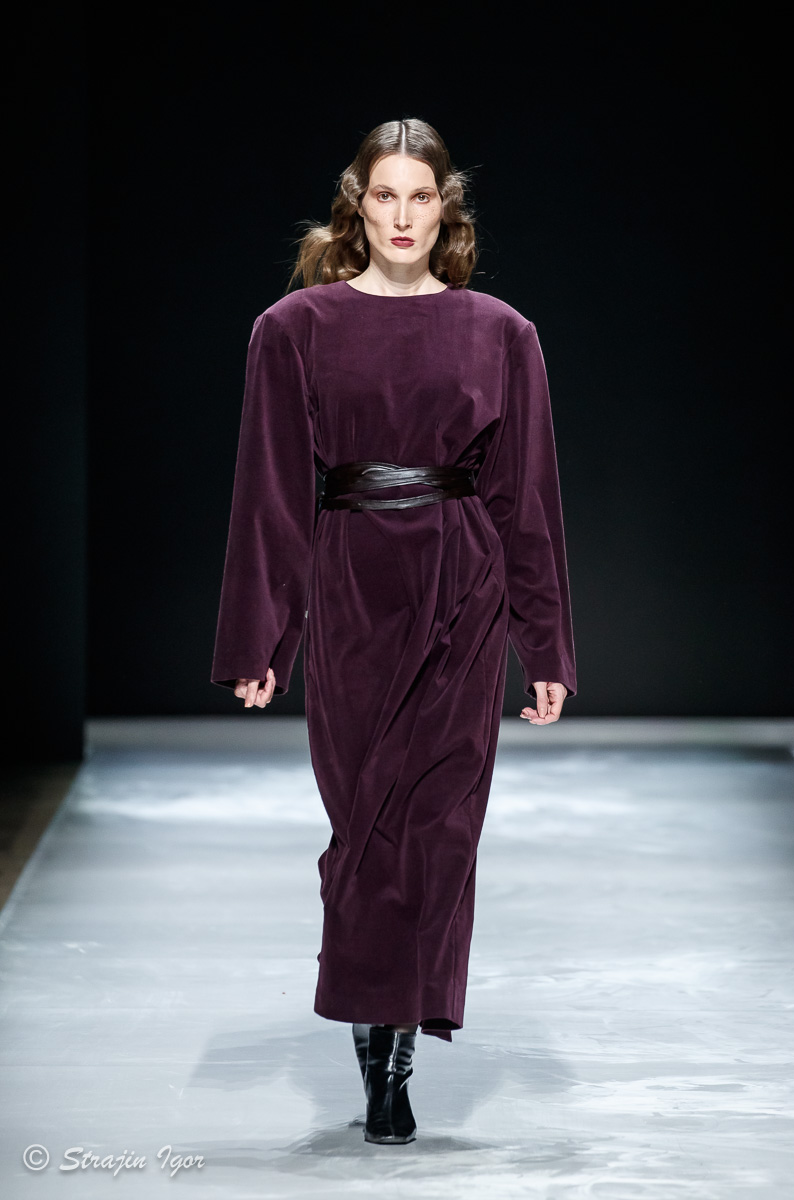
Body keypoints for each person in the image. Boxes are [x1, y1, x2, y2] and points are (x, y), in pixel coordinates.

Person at [210, 117, 577, 1144]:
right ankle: (373, 1031)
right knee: (364, 826)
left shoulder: (501, 332)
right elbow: (269, 495)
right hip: (354, 590)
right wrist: (261, 639)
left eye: (421, 196)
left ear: (444, 208)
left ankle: (397, 1054)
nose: (403, 215)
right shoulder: (294, 328)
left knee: (441, 830)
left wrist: (544, 645)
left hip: (463, 587)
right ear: (357, 205)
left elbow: (527, 501)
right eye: (385, 196)